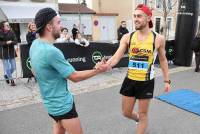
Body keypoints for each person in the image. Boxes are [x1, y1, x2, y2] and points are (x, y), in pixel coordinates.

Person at [30, 8, 108, 134]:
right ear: (49, 27)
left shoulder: (35, 44)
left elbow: (34, 71)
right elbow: (74, 76)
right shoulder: (52, 51)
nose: (61, 27)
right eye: (58, 23)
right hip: (63, 106)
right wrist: (97, 69)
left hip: (50, 105)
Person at [106, 4, 171, 134]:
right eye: (134, 16)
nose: (136, 19)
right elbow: (116, 57)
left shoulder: (158, 38)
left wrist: (166, 80)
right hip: (130, 80)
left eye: (139, 16)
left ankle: (141, 121)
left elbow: (163, 60)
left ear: (148, 18)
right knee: (126, 112)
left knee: (143, 114)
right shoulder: (127, 37)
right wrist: (106, 64)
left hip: (146, 82)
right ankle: (138, 119)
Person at [0, 21, 18, 86]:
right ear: (3, 26)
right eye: (7, 25)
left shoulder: (11, 32)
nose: (8, 26)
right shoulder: (0, 32)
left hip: (11, 51)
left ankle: (6, 75)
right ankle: (11, 80)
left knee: (13, 67)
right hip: (3, 52)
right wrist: (5, 43)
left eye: (8, 25)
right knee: (7, 68)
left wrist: (11, 42)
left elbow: (16, 41)